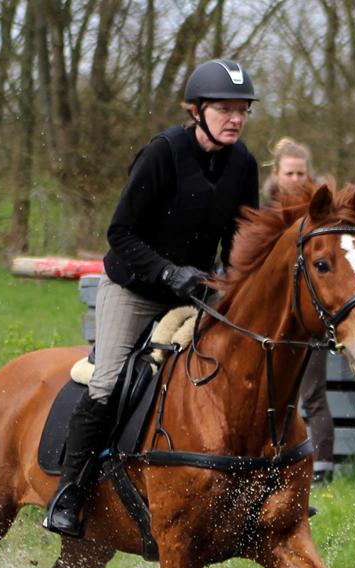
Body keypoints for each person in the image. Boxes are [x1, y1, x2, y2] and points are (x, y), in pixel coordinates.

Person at [43, 59, 260, 537]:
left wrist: (232, 284)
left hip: (195, 293)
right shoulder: (163, 153)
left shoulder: (243, 164)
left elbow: (241, 238)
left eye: (242, 110)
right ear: (196, 110)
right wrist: (166, 270)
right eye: (225, 108)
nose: (236, 119)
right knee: (108, 381)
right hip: (134, 288)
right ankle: (71, 491)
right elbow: (119, 232)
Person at [264, 138, 335, 484]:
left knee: (312, 392)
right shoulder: (266, 214)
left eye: (301, 173)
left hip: (310, 320)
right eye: (289, 173)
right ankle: (268, 464)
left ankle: (321, 467)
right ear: (276, 175)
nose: (295, 179)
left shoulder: (321, 215)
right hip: (271, 321)